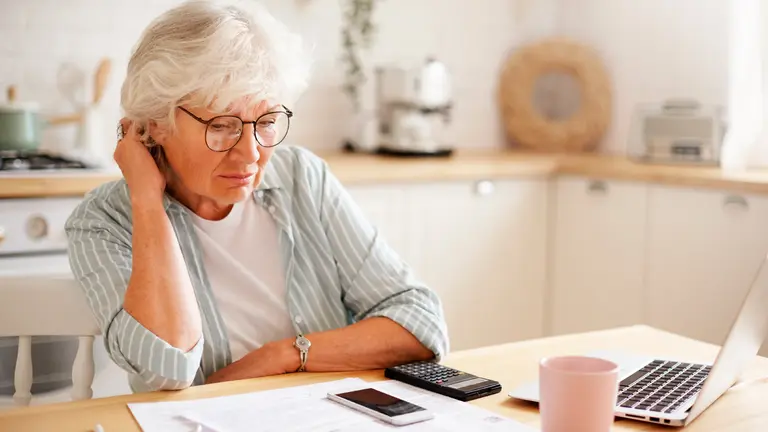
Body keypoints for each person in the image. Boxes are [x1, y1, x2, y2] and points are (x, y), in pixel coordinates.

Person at [65, 0, 448, 393]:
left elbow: (420, 324)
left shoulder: (302, 178)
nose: (250, 153)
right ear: (157, 123)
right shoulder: (102, 221)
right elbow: (168, 368)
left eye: (265, 122)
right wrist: (146, 200)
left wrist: (282, 357)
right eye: (222, 125)